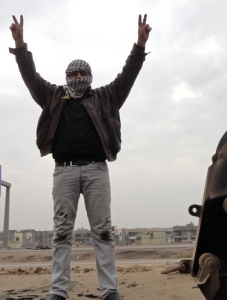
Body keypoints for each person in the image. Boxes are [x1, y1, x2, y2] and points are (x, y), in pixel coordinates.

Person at [9, 14, 151, 300]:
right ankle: (58, 291)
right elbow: (30, 76)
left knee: (103, 232)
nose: (78, 77)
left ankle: (110, 291)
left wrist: (139, 44)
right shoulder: (52, 95)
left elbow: (128, 75)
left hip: (97, 171)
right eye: (73, 74)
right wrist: (20, 44)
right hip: (64, 171)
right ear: (67, 77)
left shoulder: (106, 96)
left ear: (90, 76)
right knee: (61, 232)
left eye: (82, 73)